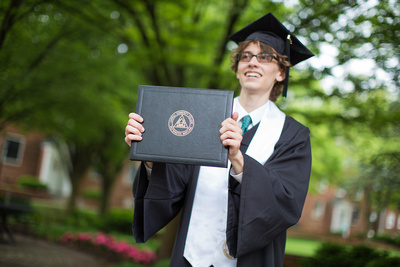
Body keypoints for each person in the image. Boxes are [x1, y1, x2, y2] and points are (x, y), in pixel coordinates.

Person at [124, 13, 313, 267]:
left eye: (265, 57)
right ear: (237, 69)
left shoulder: (293, 135)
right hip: (191, 257)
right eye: (245, 56)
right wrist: (149, 153)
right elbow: (175, 181)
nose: (252, 63)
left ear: (281, 72)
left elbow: (286, 201)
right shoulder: (205, 116)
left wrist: (239, 160)